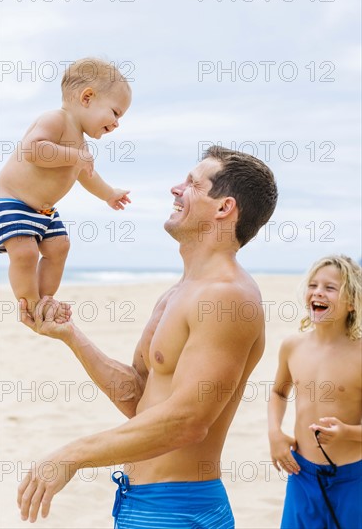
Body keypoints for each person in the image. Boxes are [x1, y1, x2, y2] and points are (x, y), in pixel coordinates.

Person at [17, 147, 278, 527]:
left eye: (192, 184)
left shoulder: (228, 297)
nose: (175, 188)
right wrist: (72, 336)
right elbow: (141, 398)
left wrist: (72, 454)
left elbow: (189, 420)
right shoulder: (177, 293)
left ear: (224, 208)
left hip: (179, 510)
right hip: (137, 502)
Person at [0, 57, 132, 322]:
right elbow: (33, 150)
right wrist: (74, 156)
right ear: (87, 97)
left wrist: (109, 193)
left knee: (59, 247)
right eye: (115, 112)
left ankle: (45, 299)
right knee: (25, 252)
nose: (117, 123)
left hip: (44, 211)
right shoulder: (56, 120)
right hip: (12, 202)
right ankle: (31, 304)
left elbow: (88, 177)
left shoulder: (81, 146)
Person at [268, 255, 362, 529]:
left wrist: (347, 432)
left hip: (353, 478)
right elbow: (278, 393)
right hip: (302, 474)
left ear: (352, 303)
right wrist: (275, 432)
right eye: (313, 285)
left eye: (330, 288)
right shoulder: (292, 346)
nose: (318, 291)